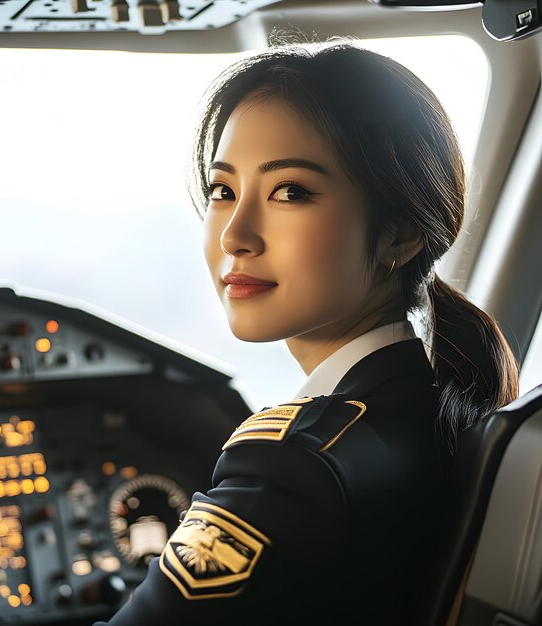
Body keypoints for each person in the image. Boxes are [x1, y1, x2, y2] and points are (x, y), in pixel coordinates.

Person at [93, 36, 519, 626]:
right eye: (224, 191)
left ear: (399, 235)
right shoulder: (432, 408)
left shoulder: (293, 467)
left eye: (290, 191)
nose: (235, 234)